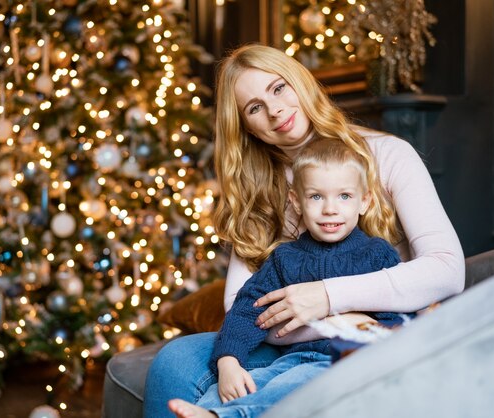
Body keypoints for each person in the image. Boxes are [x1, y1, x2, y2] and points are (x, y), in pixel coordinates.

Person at [144, 44, 465, 417]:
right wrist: (329, 323)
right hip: (290, 339)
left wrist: (328, 298)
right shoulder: (259, 192)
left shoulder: (388, 155)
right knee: (175, 361)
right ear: (248, 129)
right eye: (254, 107)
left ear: (301, 84)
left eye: (279, 88)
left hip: (370, 336)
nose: (274, 110)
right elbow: (240, 305)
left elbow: (447, 268)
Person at [168, 137, 412, 418]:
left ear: (364, 201)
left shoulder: (377, 254)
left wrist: (371, 341)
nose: (330, 208)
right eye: (316, 196)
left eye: (344, 196)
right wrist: (228, 361)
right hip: (294, 359)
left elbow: (401, 315)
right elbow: (248, 309)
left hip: (347, 363)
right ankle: (211, 411)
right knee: (241, 387)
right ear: (296, 202)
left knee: (292, 385)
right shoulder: (285, 258)